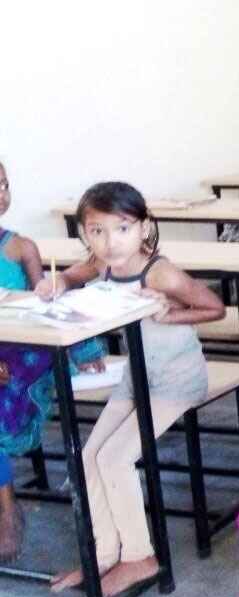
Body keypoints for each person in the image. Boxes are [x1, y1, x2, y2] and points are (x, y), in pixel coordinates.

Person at [37, 181, 224, 597]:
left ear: (143, 228)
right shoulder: (101, 264)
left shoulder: (159, 270)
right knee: (89, 457)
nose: (110, 242)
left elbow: (215, 307)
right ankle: (105, 556)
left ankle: (139, 556)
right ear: (84, 233)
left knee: (116, 458)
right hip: (136, 376)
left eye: (122, 229)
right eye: (96, 231)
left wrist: (168, 311)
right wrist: (59, 284)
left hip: (177, 379)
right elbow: (72, 273)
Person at [0, 160, 105, 563]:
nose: (2, 193)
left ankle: (7, 507)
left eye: (5, 184)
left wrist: (84, 349)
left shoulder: (21, 247)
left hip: (22, 350)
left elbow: (50, 303)